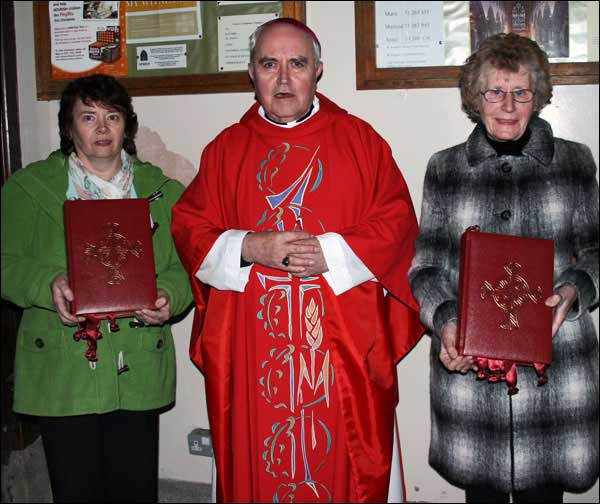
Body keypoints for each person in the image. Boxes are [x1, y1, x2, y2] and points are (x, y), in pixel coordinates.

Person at [171, 17, 422, 503]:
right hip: (253, 350)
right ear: (251, 73)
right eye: (270, 64)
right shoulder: (226, 150)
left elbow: (396, 226)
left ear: (318, 71)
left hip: (341, 348)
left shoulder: (360, 142)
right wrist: (249, 247)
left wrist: (329, 253)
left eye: (297, 64)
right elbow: (189, 229)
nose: (283, 79)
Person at [408, 32, 599, 503]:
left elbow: (597, 251)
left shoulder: (574, 161)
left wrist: (574, 291)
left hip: (556, 368)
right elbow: (426, 267)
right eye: (495, 91)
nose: (508, 105)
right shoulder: (446, 168)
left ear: (538, 96)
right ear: (476, 97)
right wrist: (448, 320)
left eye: (521, 92)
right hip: (470, 369)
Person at [1, 73, 192, 503]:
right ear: (69, 128)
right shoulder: (29, 190)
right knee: (77, 488)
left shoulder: (165, 192)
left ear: (128, 125)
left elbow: (187, 268)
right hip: (62, 367)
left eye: (113, 116)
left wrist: (169, 297)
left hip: (137, 363)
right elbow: (5, 263)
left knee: (134, 489)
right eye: (88, 117)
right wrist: (46, 283)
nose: (103, 128)